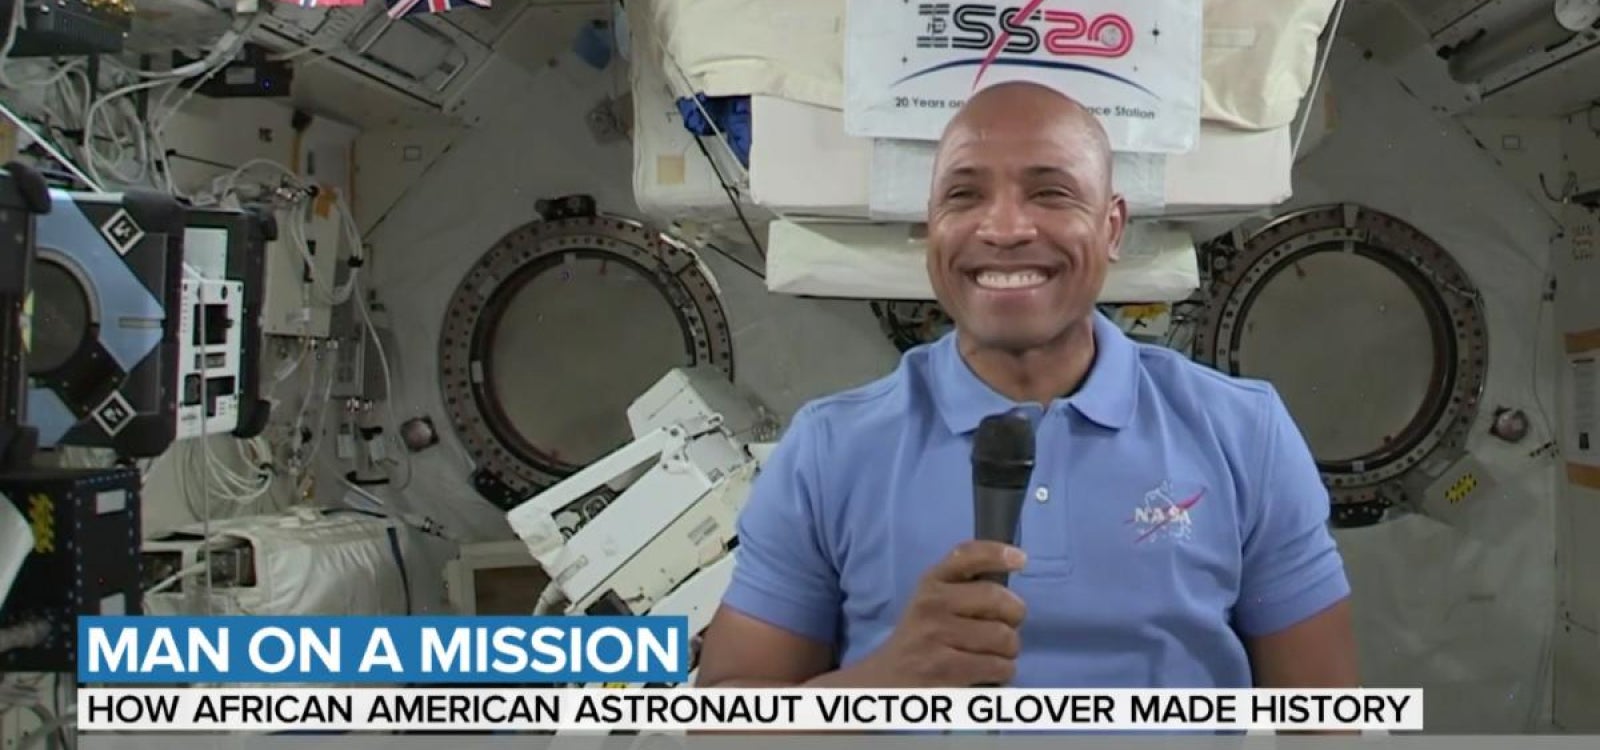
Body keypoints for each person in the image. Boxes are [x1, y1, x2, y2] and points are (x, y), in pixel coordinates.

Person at [695, 81, 1358, 690]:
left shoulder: (1244, 433)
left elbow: (1325, 720)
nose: (1006, 228)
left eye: (1050, 192)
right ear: (931, 230)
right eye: (964, 195)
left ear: (1112, 227)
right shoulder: (830, 450)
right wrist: (886, 681)